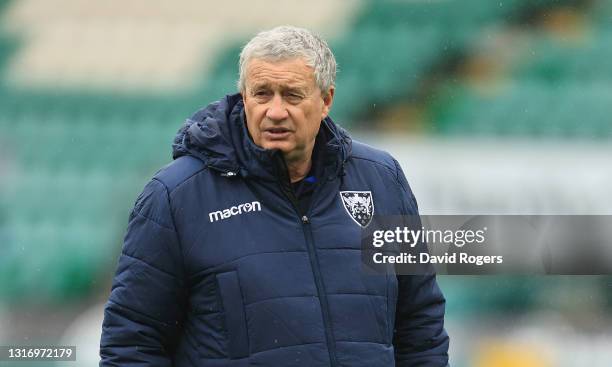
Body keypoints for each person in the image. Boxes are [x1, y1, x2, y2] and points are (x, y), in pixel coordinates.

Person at [99, 25, 449, 367]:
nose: (276, 111)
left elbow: (420, 324)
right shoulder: (176, 197)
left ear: (326, 99)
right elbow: (132, 342)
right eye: (262, 93)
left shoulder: (381, 179)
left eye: (292, 95)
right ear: (244, 97)